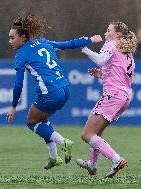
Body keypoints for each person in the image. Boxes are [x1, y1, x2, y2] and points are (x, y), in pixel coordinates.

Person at [6, 14, 95, 169]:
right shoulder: (42, 42)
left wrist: (13, 106)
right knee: (42, 121)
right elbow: (68, 44)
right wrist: (89, 40)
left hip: (50, 92)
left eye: (12, 38)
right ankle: (54, 158)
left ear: (23, 37)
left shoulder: (21, 54)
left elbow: (18, 84)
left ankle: (63, 142)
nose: (10, 41)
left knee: (31, 122)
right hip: (65, 89)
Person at [76, 21, 138, 178]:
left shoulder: (112, 43)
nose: (105, 33)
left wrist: (84, 49)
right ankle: (92, 163)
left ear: (117, 34)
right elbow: (120, 73)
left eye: (108, 30)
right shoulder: (126, 51)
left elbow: (100, 60)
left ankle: (116, 160)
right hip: (125, 96)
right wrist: (103, 74)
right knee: (98, 132)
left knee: (87, 135)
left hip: (114, 94)